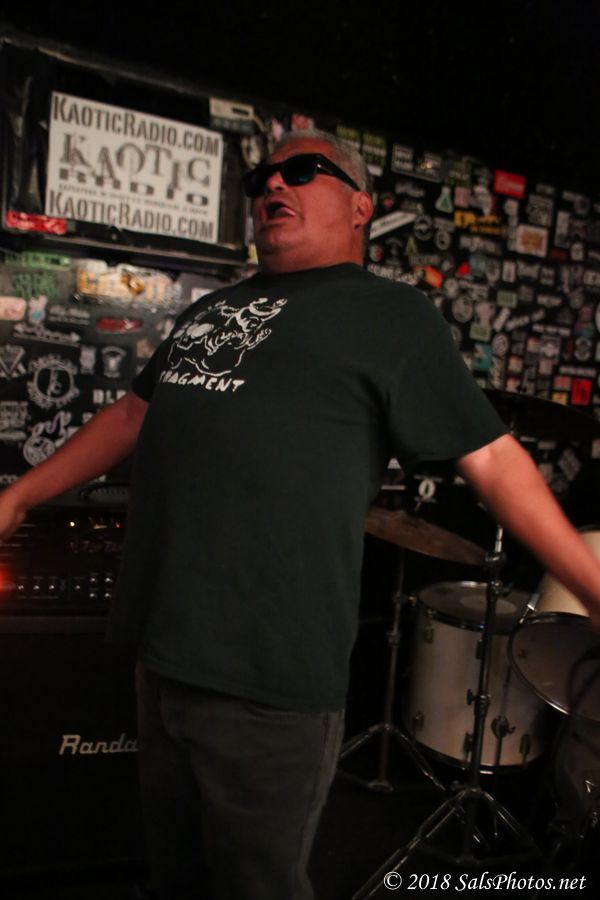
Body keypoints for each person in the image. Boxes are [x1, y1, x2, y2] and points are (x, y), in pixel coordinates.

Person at [1, 129, 600, 899]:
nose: (272, 186)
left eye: (301, 171)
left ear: (360, 207)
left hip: (268, 678)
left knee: (257, 884)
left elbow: (491, 458)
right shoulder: (212, 309)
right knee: (176, 874)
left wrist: (590, 585)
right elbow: (129, 418)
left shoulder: (390, 316)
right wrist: (21, 493)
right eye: (261, 179)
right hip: (162, 651)